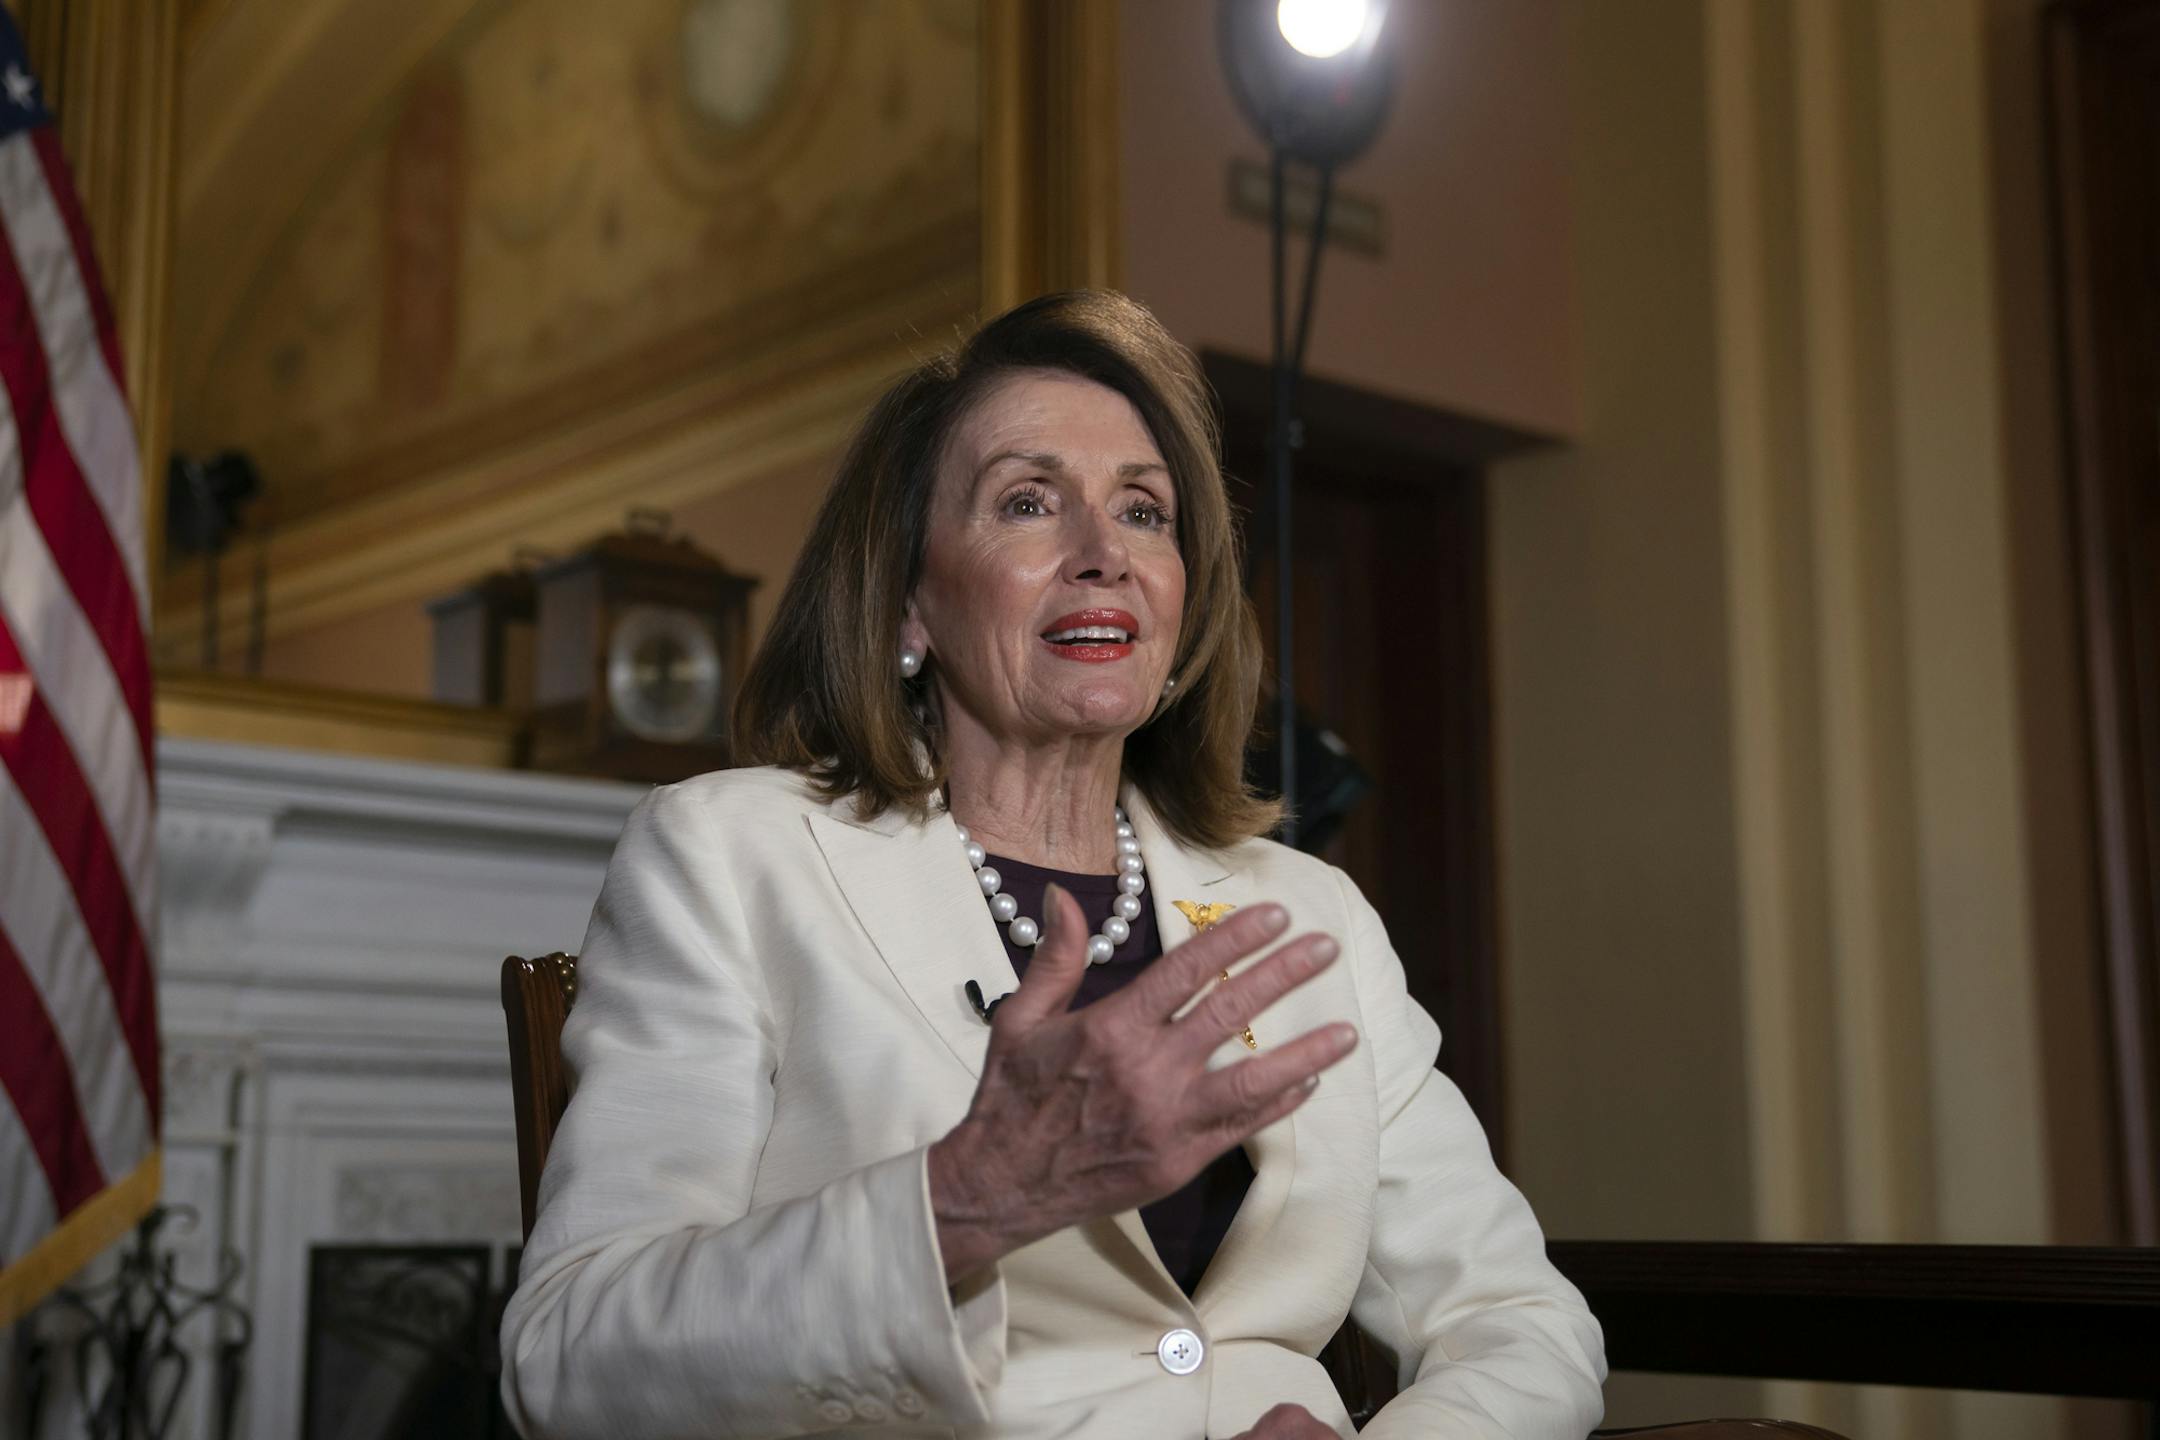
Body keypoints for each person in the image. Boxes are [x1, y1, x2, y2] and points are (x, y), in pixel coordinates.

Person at [498, 291, 1605, 1439]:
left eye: (1144, 512)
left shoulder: (1309, 909)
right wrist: (967, 1196)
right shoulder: (732, 858)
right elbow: (571, 1361)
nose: (1103, 557)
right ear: (909, 598)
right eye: (1027, 502)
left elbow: (1520, 1317)